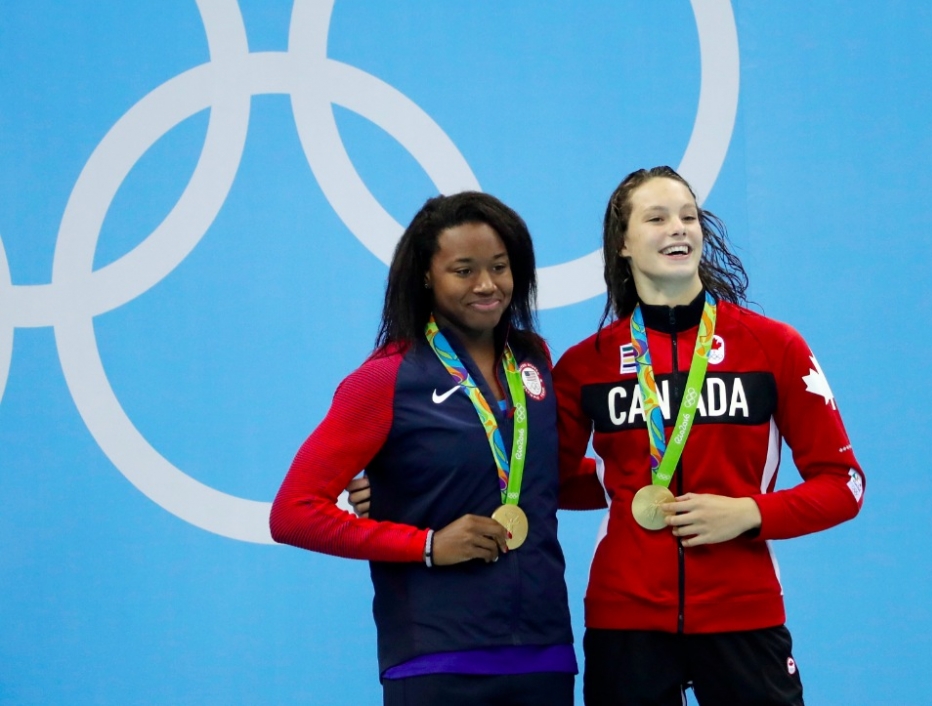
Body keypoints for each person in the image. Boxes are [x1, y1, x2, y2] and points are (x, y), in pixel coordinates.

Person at [554, 166, 866, 706]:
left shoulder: (774, 347)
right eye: (656, 218)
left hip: (743, 611)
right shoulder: (587, 365)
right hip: (625, 618)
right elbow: (540, 481)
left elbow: (843, 485)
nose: (678, 228)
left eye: (688, 216)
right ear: (623, 244)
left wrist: (749, 513)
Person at [270, 191, 577, 706]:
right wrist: (427, 545)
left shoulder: (533, 357)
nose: (487, 285)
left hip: (545, 651)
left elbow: (546, 479)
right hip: (438, 656)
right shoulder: (386, 378)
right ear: (426, 277)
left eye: (500, 267)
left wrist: (645, 484)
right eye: (464, 270)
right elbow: (293, 514)